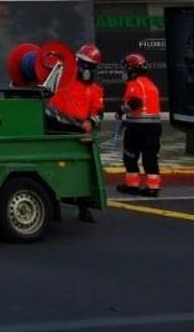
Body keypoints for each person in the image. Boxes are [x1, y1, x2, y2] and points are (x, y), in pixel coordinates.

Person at [44, 44, 106, 222]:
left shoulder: (95, 90)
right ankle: (54, 208)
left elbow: (98, 112)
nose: (84, 68)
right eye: (82, 63)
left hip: (81, 135)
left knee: (84, 172)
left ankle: (84, 209)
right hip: (59, 131)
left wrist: (90, 122)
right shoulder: (64, 82)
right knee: (53, 170)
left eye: (89, 65)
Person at [117, 52, 164, 197]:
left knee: (130, 156)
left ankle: (132, 185)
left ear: (132, 69)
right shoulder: (151, 84)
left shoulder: (135, 84)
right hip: (154, 126)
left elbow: (135, 103)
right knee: (150, 157)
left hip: (138, 128)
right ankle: (153, 187)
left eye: (126, 68)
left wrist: (121, 111)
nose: (125, 72)